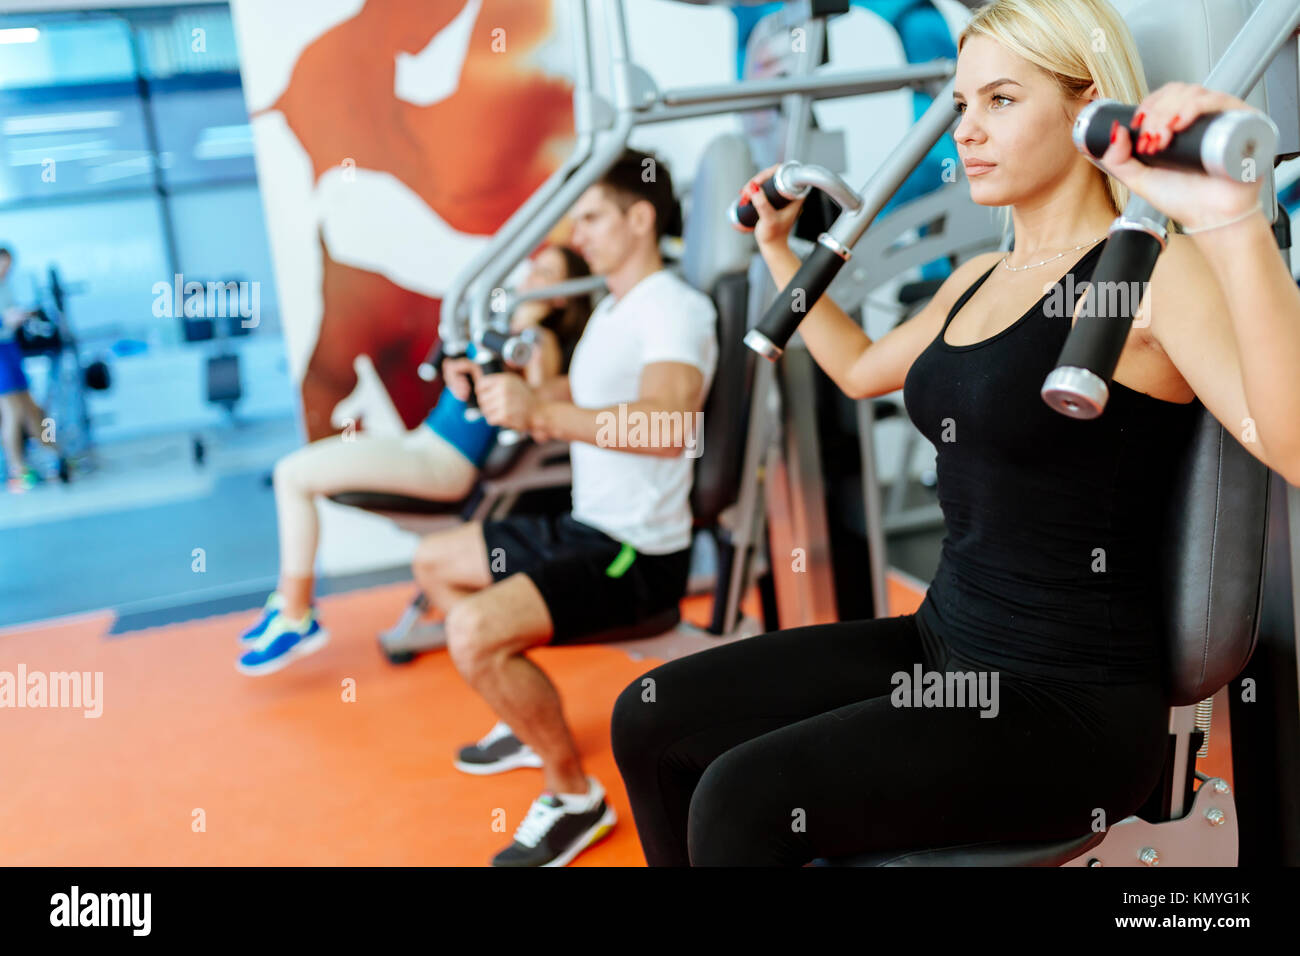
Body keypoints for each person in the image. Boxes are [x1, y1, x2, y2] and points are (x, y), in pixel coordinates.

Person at [610, 0, 1300, 866]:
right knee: (653, 720)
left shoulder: (1148, 272)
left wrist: (1232, 224)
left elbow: (1290, 444)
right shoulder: (978, 278)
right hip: (945, 640)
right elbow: (859, 366)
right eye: (962, 105)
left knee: (740, 800)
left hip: (1067, 702)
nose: (967, 132)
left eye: (1001, 101)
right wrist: (781, 253)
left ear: (1088, 107)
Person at [411, 148, 718, 867]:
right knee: (434, 562)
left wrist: (542, 417)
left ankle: (574, 794)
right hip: (582, 529)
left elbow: (670, 426)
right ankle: (527, 719)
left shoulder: (674, 307)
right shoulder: (614, 308)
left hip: (633, 553)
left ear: (640, 217)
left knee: (473, 632)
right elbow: (574, 403)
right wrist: (492, 389)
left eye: (591, 216)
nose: (576, 233)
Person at [236, 245, 593, 676]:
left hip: (445, 463)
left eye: (547, 273)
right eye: (534, 267)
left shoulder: (536, 341)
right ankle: (289, 605)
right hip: (423, 443)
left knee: (292, 475)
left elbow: (536, 409)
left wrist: (526, 368)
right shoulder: (499, 328)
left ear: (562, 296)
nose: (532, 277)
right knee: (294, 472)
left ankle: (296, 615)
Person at [0, 246, 63, 494]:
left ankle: (54, 454)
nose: (6, 270)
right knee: (12, 411)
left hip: (10, 347)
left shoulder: (6, 286)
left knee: (32, 408)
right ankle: (17, 471)